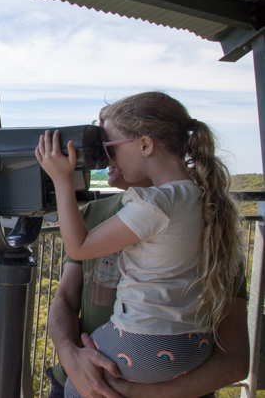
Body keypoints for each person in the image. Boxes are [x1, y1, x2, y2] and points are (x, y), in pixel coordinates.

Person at [34, 92, 246, 397]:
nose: (107, 159)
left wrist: (61, 180)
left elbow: (78, 246)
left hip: (142, 345)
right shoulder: (211, 208)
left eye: (110, 148)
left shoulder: (154, 203)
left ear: (145, 145)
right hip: (191, 346)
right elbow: (65, 299)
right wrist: (70, 354)